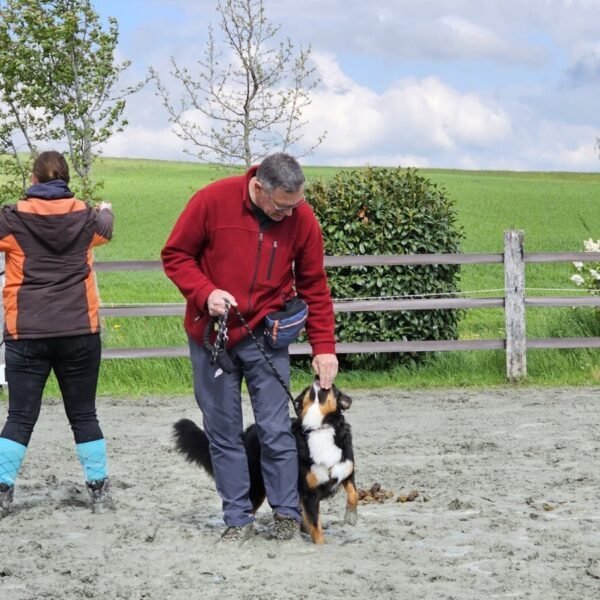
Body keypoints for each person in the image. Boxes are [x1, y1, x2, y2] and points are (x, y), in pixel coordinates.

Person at [161, 152, 338, 542]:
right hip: (213, 338)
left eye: (297, 204)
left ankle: (287, 514)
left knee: (276, 431)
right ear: (258, 187)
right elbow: (175, 256)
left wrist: (323, 346)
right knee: (223, 433)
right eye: (282, 206)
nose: (290, 214)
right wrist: (205, 293)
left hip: (267, 336)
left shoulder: (301, 218)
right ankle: (238, 519)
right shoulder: (211, 201)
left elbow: (314, 285)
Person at [0, 150, 115, 518]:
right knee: (84, 414)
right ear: (65, 181)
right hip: (80, 329)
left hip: (27, 332)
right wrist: (106, 207)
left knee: (19, 416)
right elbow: (107, 228)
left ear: (33, 180)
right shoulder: (87, 218)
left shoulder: (12, 219)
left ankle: (3, 490)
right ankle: (98, 490)